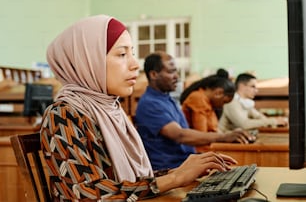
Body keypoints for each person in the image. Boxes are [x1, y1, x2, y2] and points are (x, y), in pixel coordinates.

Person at [40, 15, 239, 201]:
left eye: (132, 54)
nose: (135, 64)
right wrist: (175, 178)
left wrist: (181, 171)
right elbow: (84, 194)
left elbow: (133, 180)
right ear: (87, 61)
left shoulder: (112, 110)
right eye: (122, 54)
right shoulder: (64, 114)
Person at [134, 51, 254, 171]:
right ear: (154, 74)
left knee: (237, 172)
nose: (177, 76)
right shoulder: (150, 103)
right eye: (171, 72)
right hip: (169, 170)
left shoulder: (166, 98)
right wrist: (224, 137)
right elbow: (179, 135)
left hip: (185, 163)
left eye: (176, 71)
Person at [218, 73, 288, 132]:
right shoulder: (231, 102)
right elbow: (244, 124)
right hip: (222, 143)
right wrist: (273, 121)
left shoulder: (245, 103)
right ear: (242, 86)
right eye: (253, 87)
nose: (256, 91)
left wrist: (279, 121)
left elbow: (259, 117)